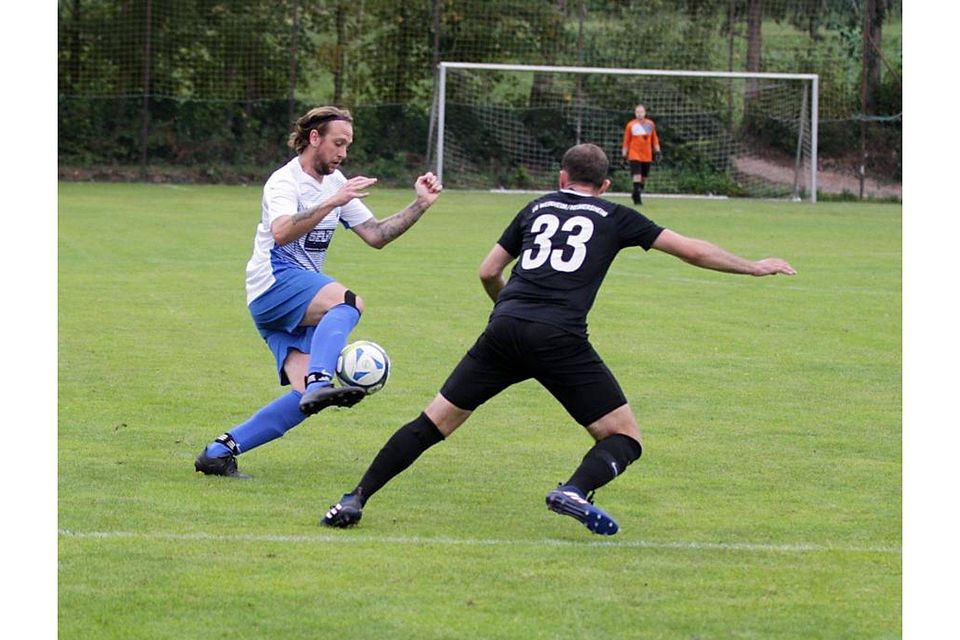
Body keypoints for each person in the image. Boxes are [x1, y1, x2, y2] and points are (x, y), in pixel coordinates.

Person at [320, 143, 795, 535]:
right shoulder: (615, 214)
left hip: (504, 329)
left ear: (561, 177)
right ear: (604, 186)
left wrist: (507, 309)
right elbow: (690, 250)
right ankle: (574, 489)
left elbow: (488, 271)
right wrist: (753, 265)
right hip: (560, 337)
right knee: (623, 436)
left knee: (432, 423)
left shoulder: (535, 207)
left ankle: (353, 498)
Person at [194, 106, 443, 479]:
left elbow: (376, 235)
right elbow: (280, 232)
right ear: (314, 138)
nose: (343, 153)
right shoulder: (286, 182)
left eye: (348, 145)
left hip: (289, 297)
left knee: (303, 400)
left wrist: (420, 204)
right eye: (338, 143)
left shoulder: (335, 182)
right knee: (348, 303)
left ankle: (219, 452)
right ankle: (321, 381)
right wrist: (332, 202)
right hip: (275, 281)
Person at [621, 103, 661, 205]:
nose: (639, 114)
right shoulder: (631, 125)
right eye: (637, 112)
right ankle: (637, 198)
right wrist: (624, 155)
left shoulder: (650, 124)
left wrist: (658, 151)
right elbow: (626, 141)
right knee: (637, 175)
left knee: (644, 177)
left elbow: (654, 139)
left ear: (645, 113)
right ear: (635, 113)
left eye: (641, 112)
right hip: (634, 154)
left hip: (647, 155)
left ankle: (636, 191)